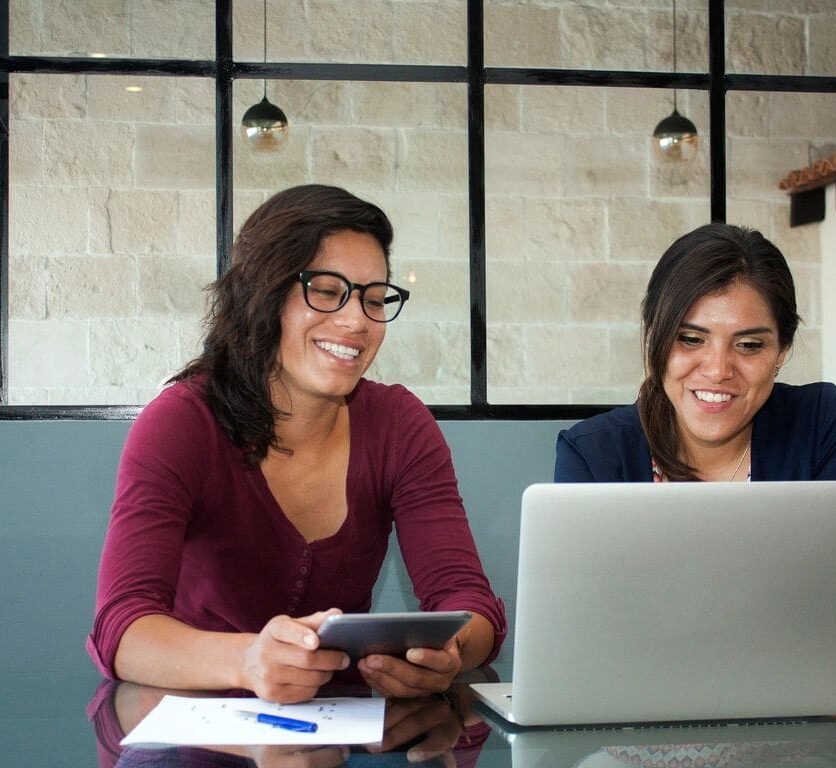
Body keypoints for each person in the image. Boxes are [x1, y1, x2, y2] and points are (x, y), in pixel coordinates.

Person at [87, 184, 506, 703]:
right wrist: (247, 661)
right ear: (263, 295)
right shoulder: (181, 423)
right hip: (191, 734)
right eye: (327, 292)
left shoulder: (400, 424)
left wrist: (448, 654)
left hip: (337, 735)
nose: (357, 321)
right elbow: (121, 627)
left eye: (375, 299)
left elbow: (472, 604)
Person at [555, 222, 836, 482]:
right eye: (690, 339)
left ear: (782, 350)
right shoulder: (592, 455)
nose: (717, 371)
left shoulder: (822, 425)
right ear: (654, 336)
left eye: (748, 345)